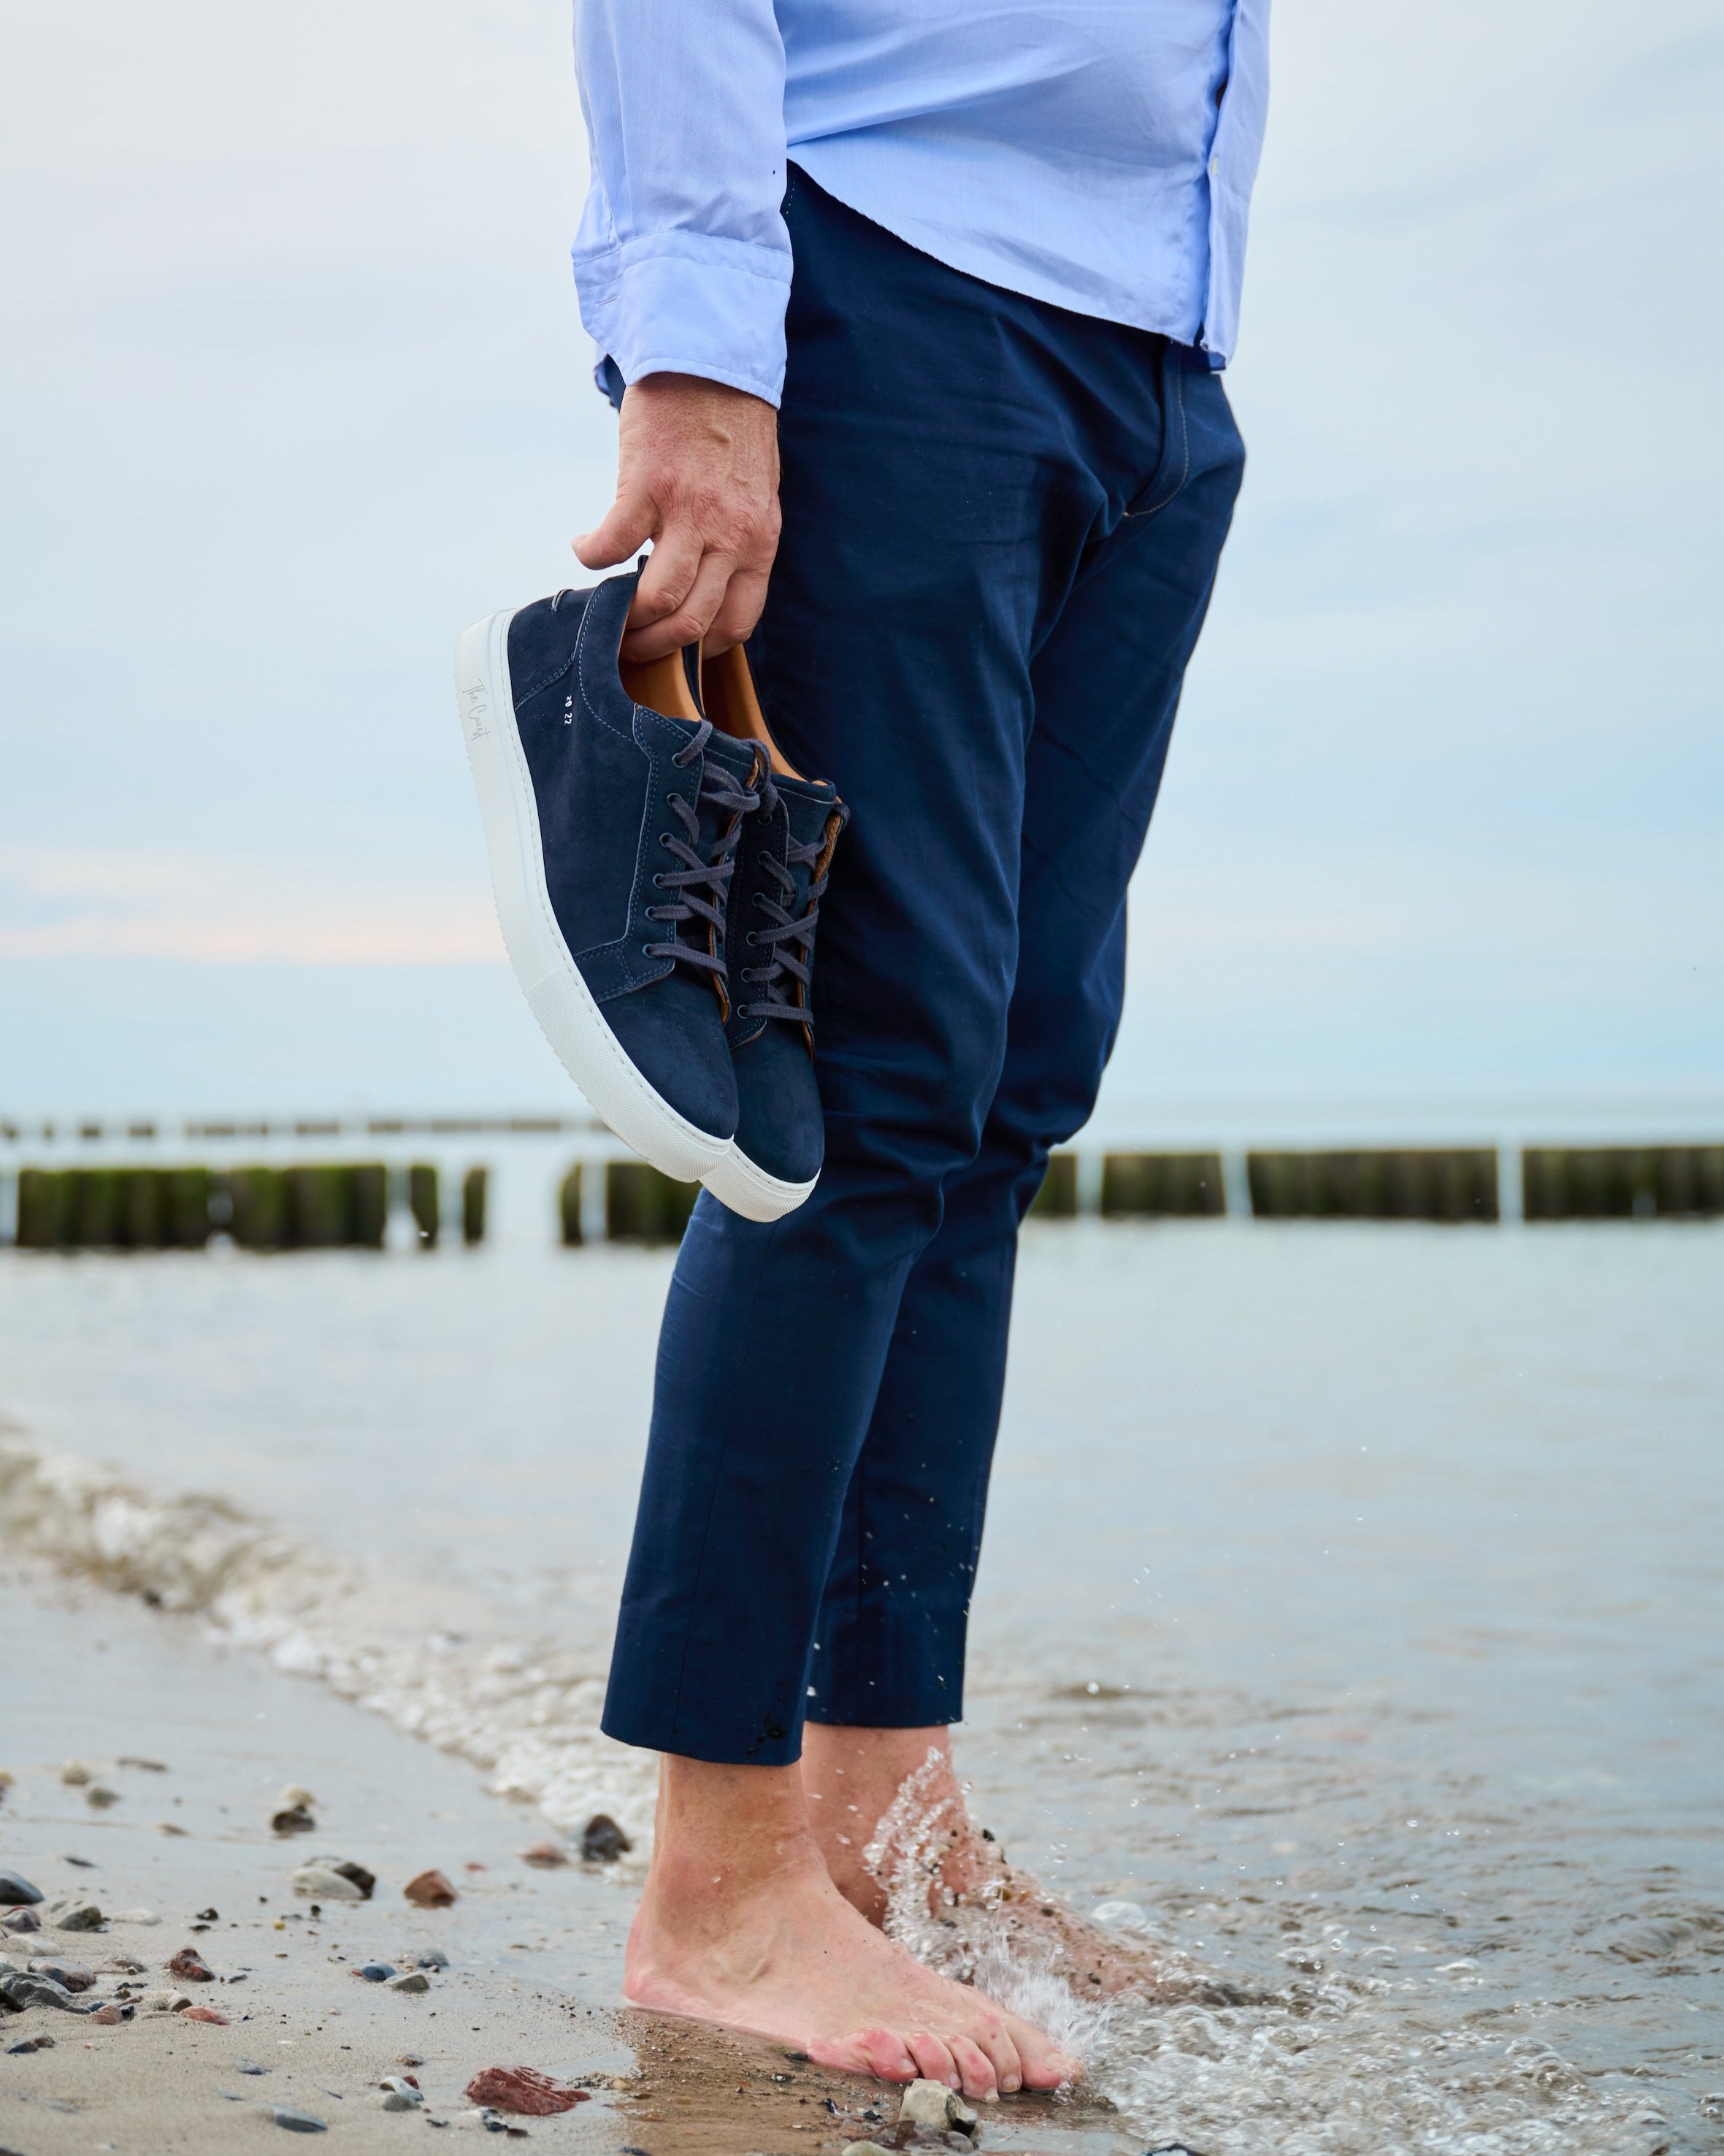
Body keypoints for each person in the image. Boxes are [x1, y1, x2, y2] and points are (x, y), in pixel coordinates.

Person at [566, 0, 1265, 2103]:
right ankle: (717, 1880)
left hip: (1160, 344)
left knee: (1002, 1093)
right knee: (863, 1089)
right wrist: (696, 343)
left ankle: (880, 1819)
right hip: (894, 266)